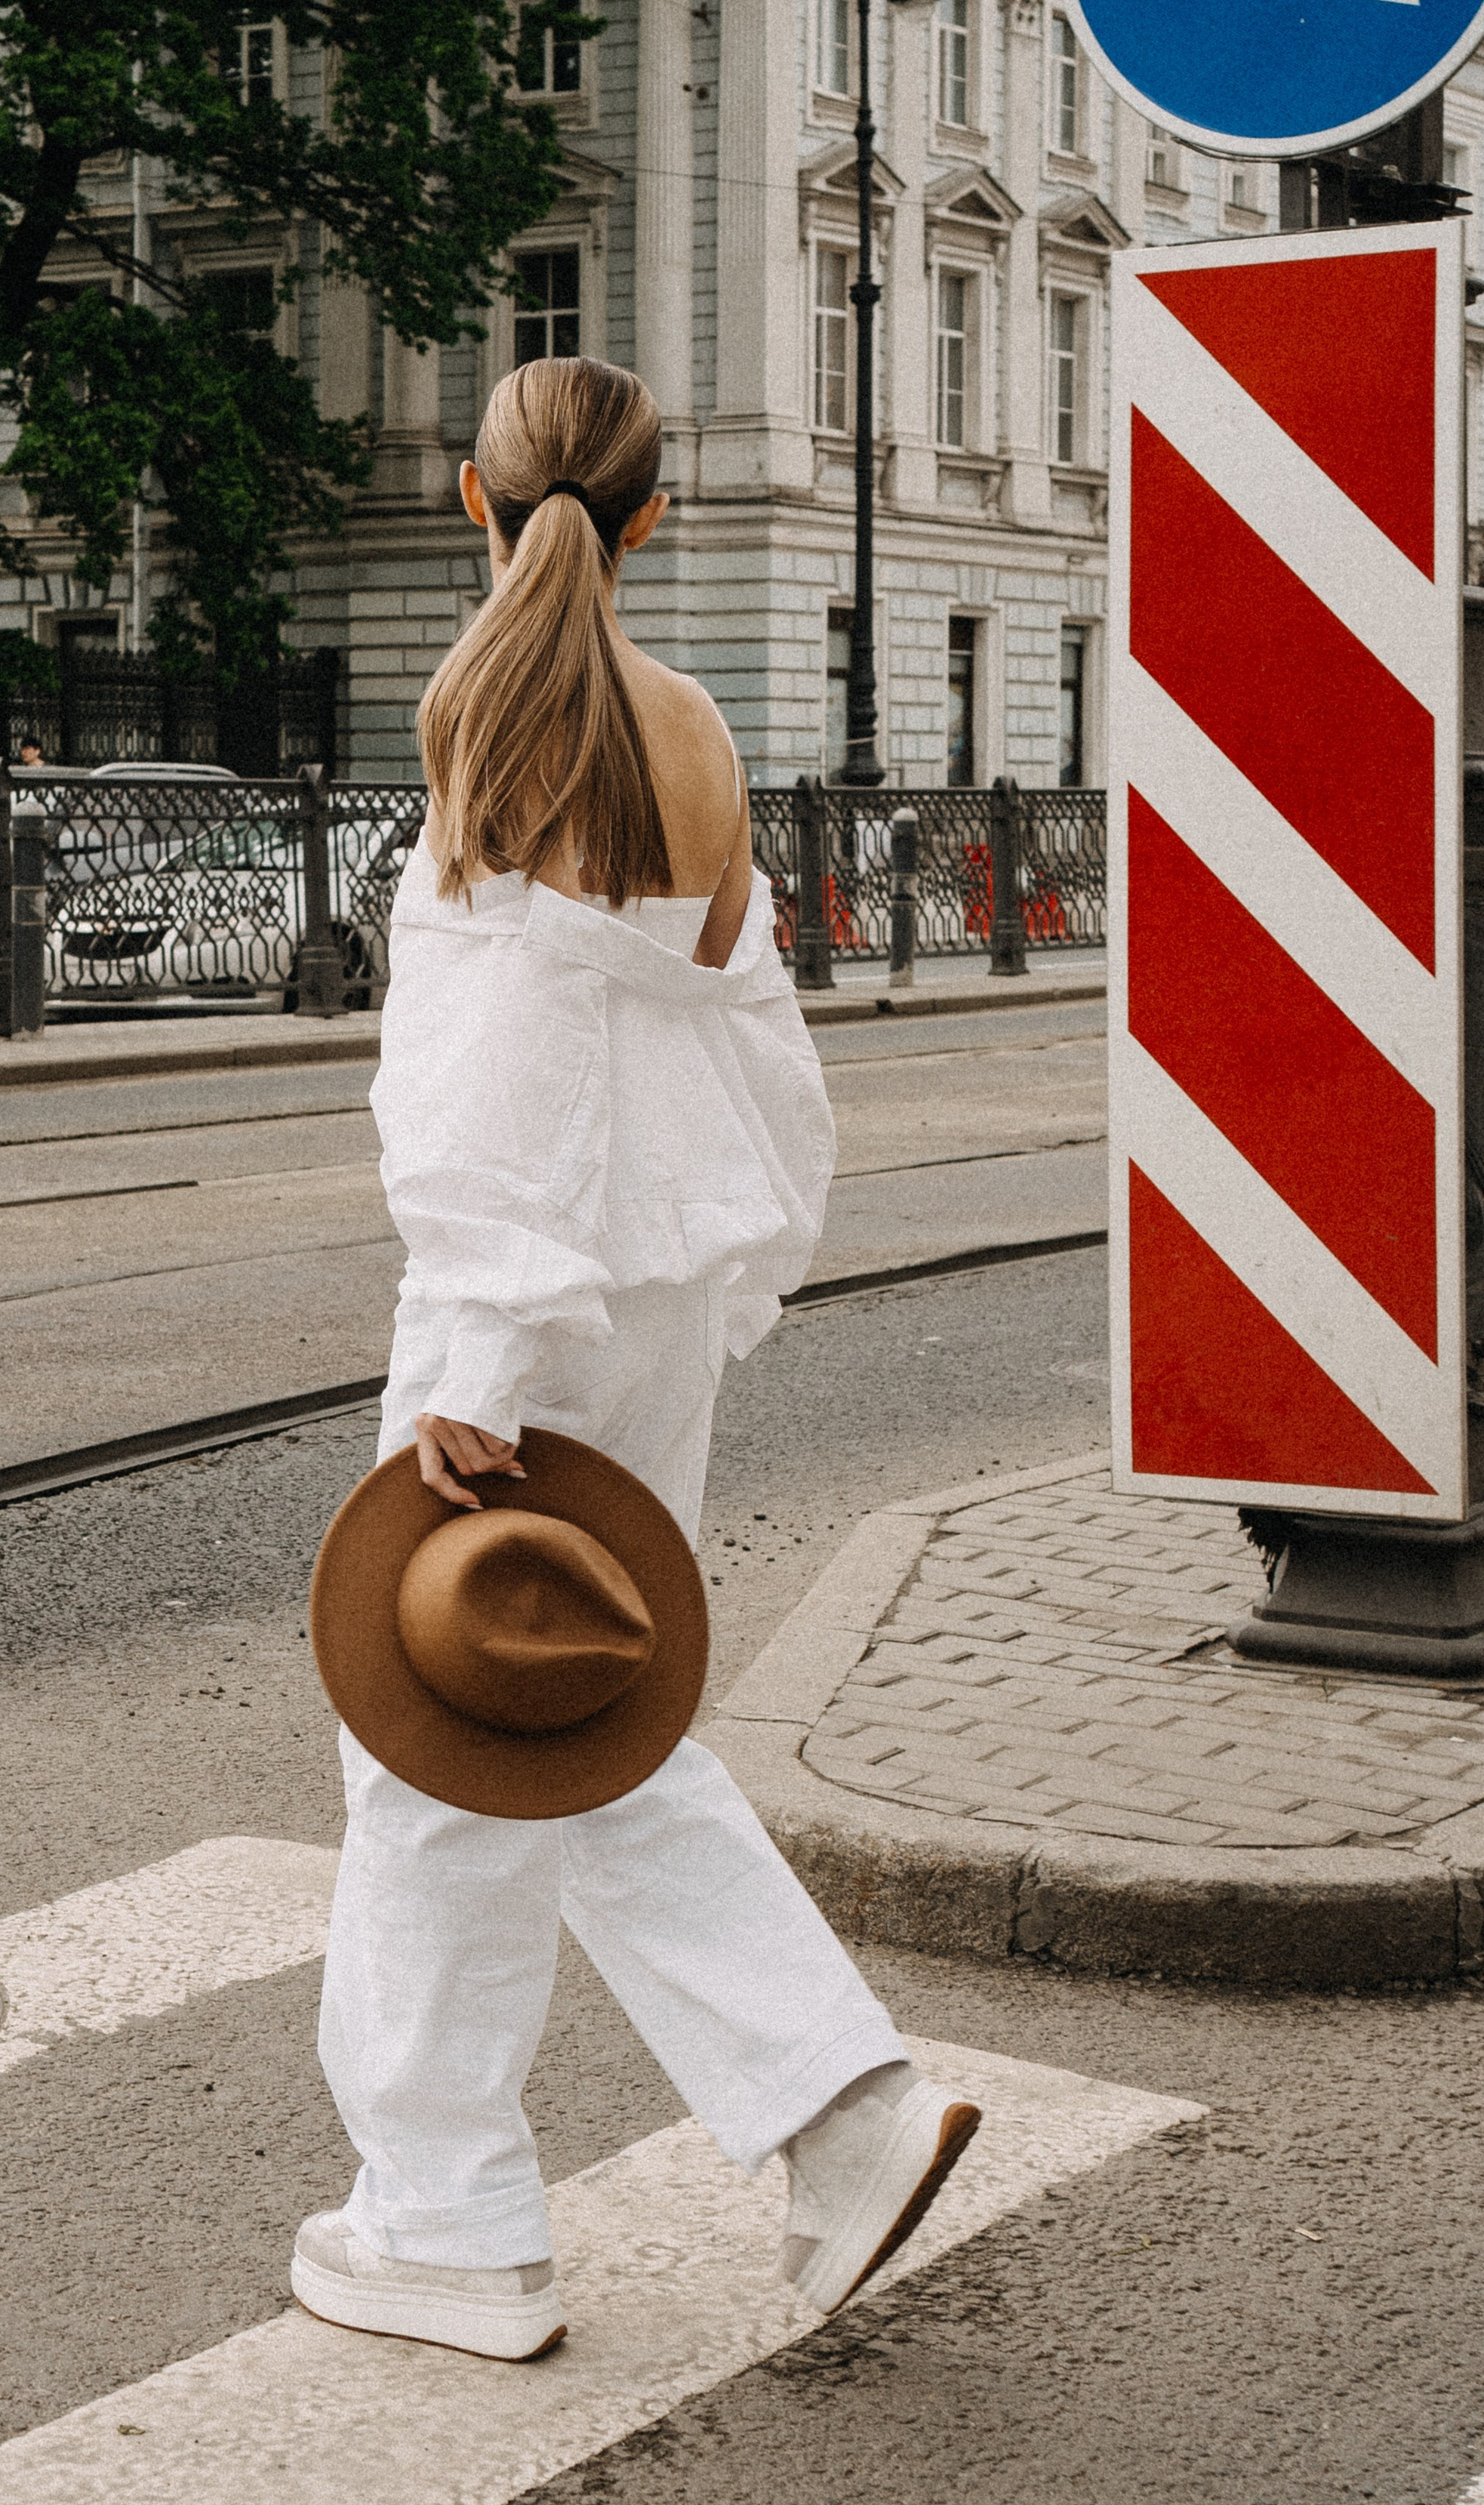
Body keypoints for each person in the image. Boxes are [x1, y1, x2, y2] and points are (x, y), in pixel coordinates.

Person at [293, 356, 979, 2362]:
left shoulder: (484, 703)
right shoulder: (695, 728)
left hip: (527, 1296)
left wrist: (486, 1344)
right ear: (656, 516)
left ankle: (454, 2220)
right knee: (565, 1707)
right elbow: (749, 1031)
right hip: (660, 1282)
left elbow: (489, 1061)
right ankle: (821, 2122)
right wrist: (736, 1258)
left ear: (473, 498)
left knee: (440, 1736)